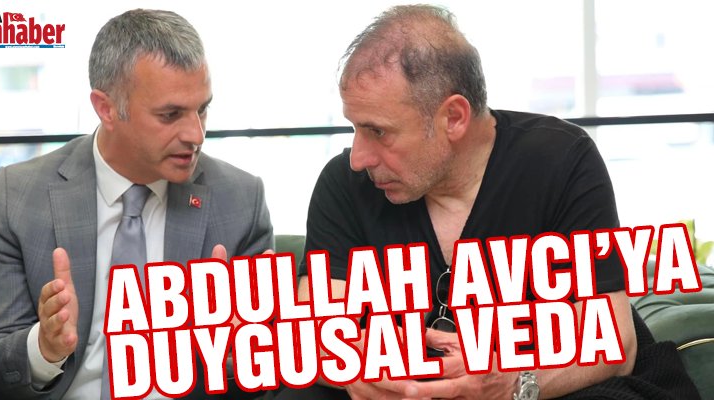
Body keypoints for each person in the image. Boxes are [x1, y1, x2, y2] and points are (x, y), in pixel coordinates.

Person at [290, 4, 700, 400]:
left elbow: (614, 346)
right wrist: (353, 374)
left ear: (453, 117)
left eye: (378, 132)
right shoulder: (344, 183)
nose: (358, 157)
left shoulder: (562, 159)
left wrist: (514, 384)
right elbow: (314, 335)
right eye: (355, 129)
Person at [0, 9, 273, 399]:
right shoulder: (19, 196)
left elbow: (262, 378)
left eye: (202, 109)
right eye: (171, 114)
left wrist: (237, 356)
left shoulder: (240, 201)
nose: (196, 134)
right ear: (106, 108)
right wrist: (43, 348)